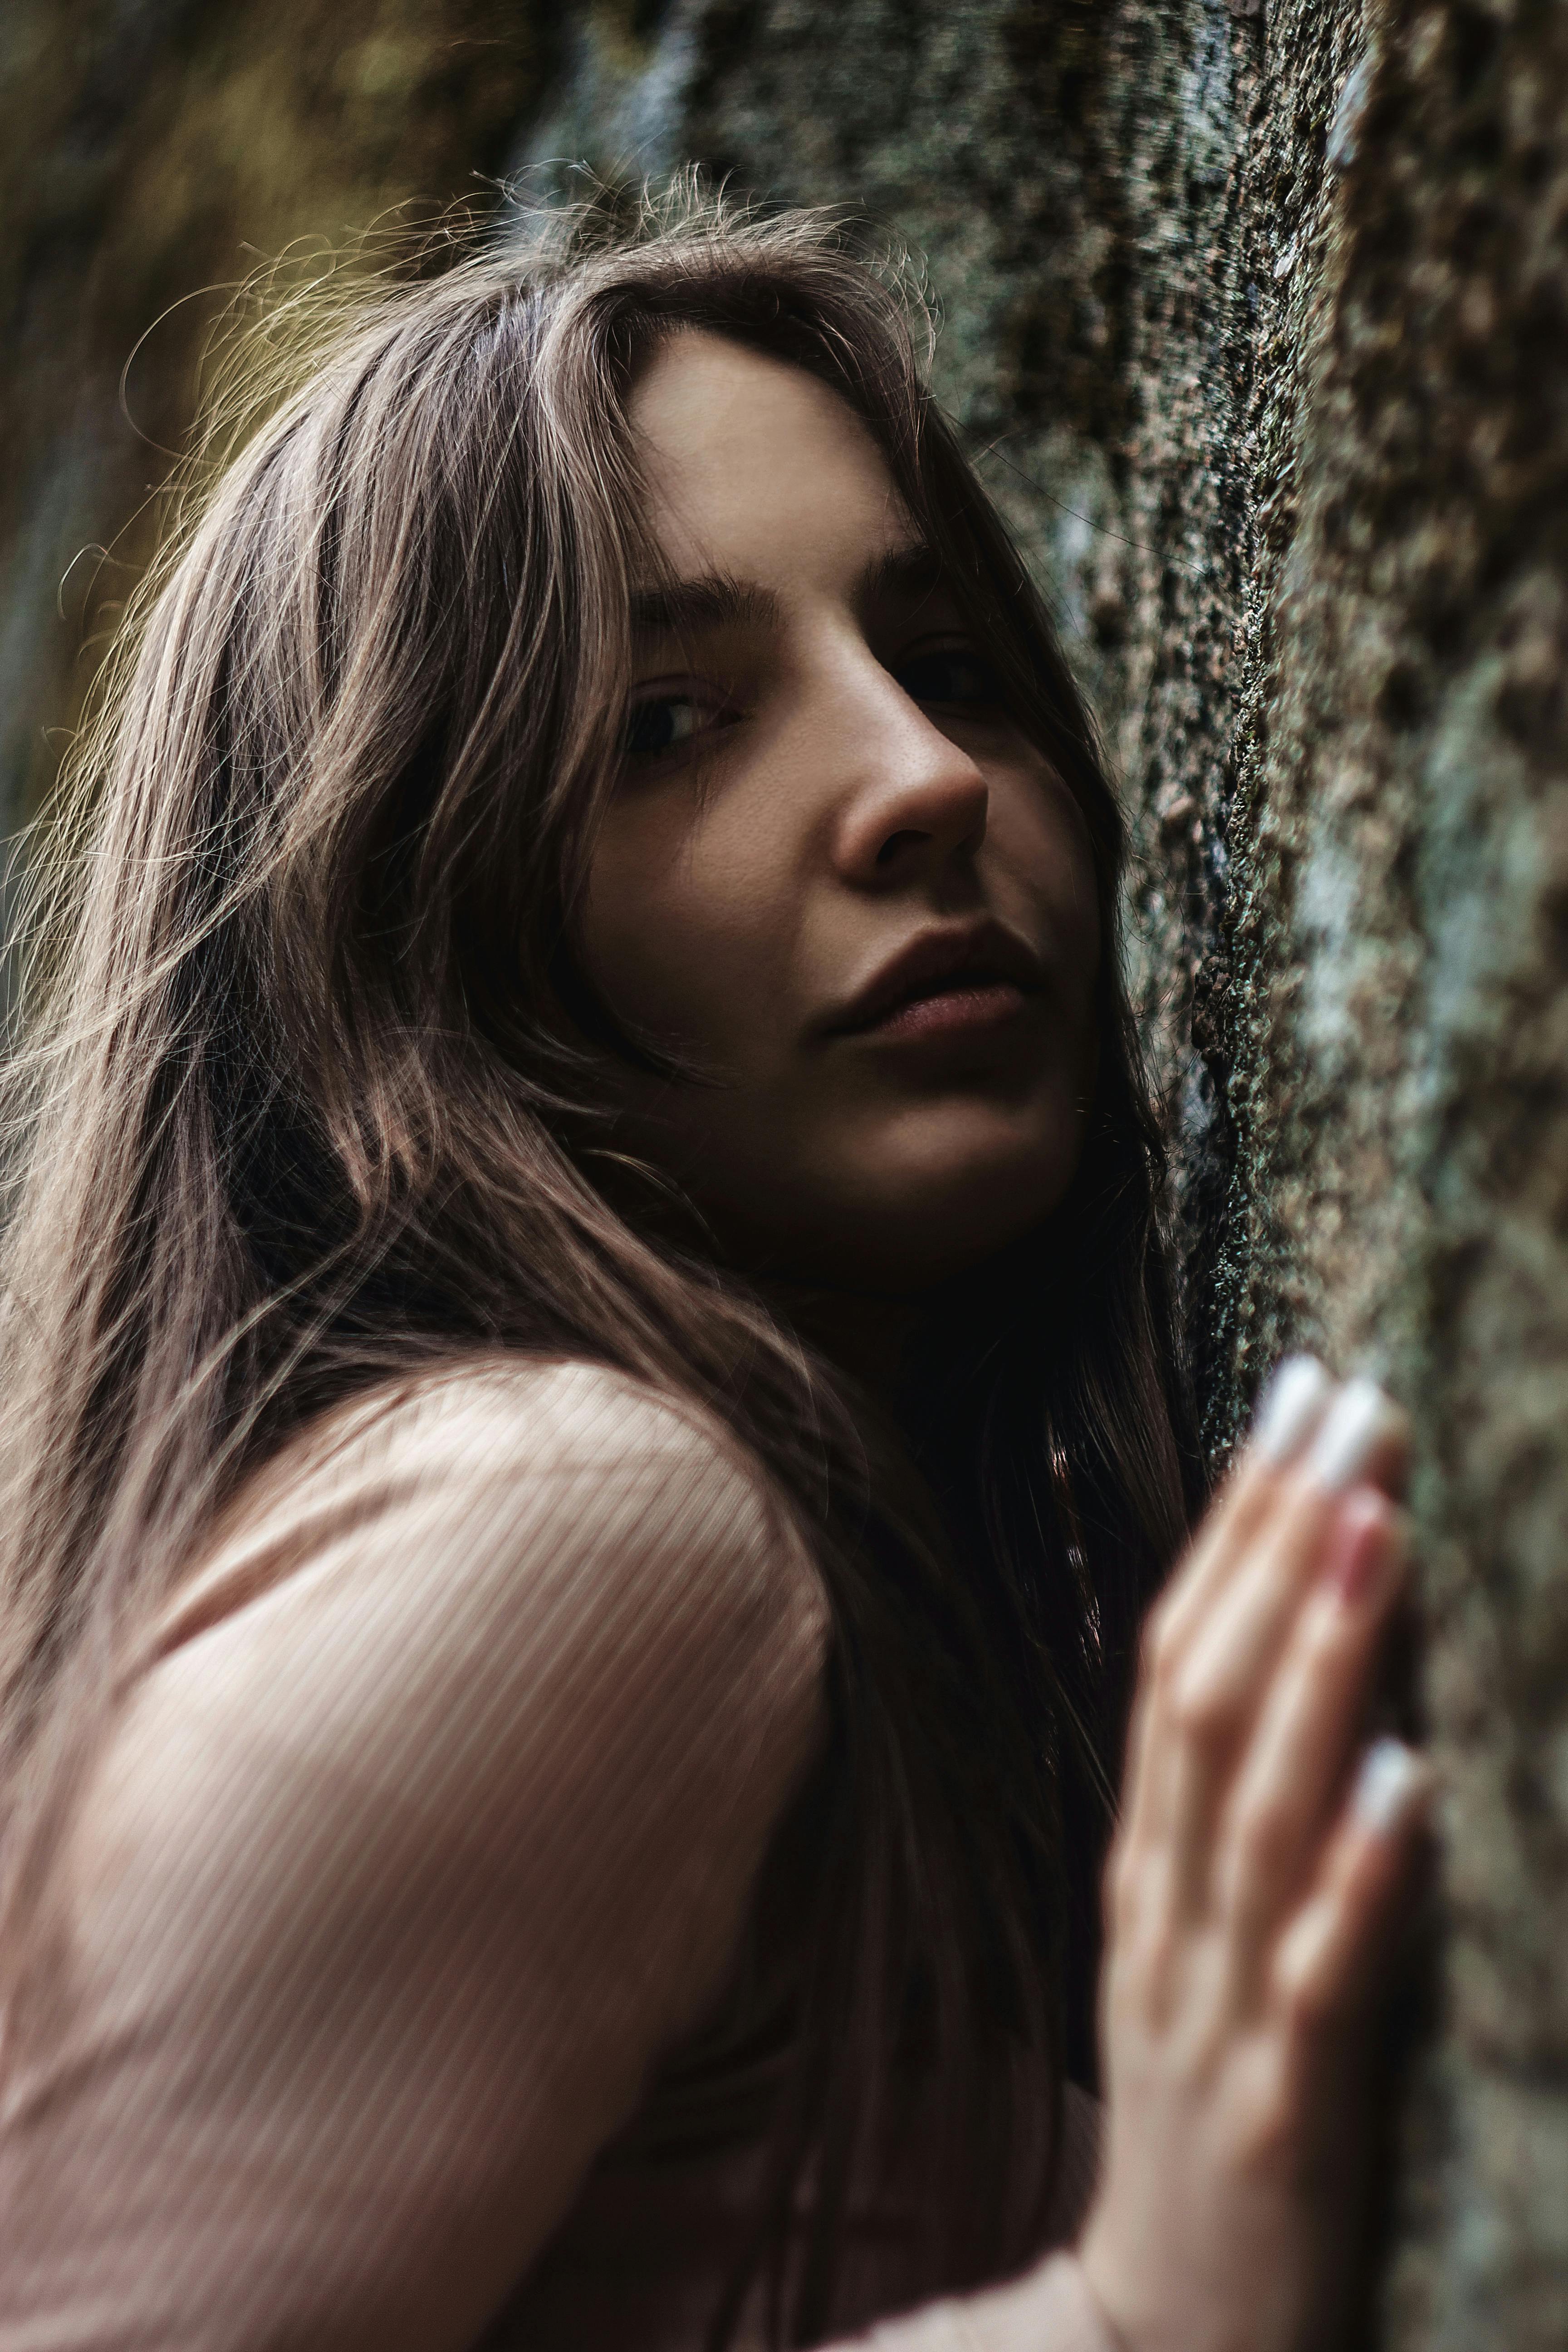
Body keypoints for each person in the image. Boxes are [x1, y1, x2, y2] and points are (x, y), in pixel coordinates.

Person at [0, 188, 1429, 2351]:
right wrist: (1135, 2316)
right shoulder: (571, 1518)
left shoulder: (857, 1594)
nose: (927, 783)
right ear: (403, 927)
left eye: (945, 666)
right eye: (672, 723)